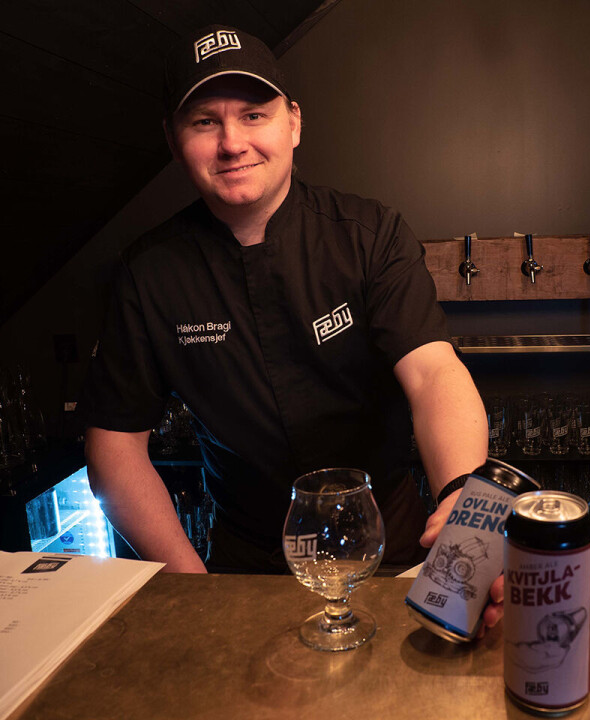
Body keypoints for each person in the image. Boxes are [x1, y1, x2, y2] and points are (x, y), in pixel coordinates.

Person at [78, 23, 500, 625]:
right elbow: (114, 449)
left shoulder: (369, 234)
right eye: (204, 122)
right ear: (174, 141)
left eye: (254, 115)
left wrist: (462, 492)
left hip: (395, 550)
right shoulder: (149, 274)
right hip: (246, 565)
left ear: (293, 123)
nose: (231, 143)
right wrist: (191, 586)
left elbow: (433, 371)